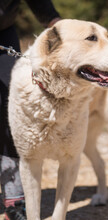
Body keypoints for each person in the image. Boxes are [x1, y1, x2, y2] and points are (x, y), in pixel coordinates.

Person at [0, 1, 61, 219]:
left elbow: (41, 4)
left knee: (10, 109)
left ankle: (13, 199)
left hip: (3, 31)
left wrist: (61, 28)